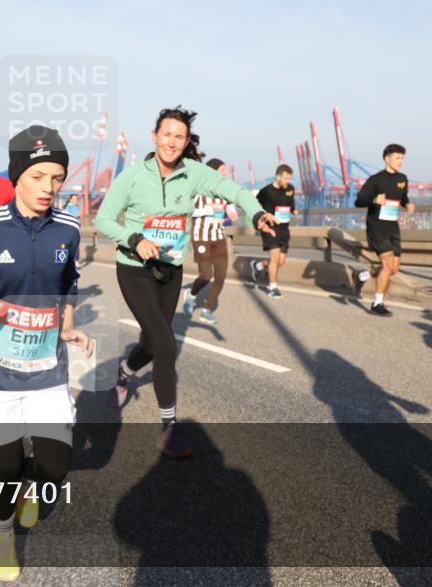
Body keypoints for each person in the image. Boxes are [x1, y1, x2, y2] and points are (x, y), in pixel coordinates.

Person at [0, 125, 93, 582]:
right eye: (39, 176)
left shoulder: (66, 227)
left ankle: (32, 491)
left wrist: (67, 323)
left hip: (46, 364)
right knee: (5, 463)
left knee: (55, 468)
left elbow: (68, 282)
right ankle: (1, 531)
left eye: (58, 177)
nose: (49, 187)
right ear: (18, 175)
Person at [95, 106, 276, 458]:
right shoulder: (132, 177)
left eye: (180, 137)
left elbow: (233, 190)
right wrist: (134, 239)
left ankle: (124, 371)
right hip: (134, 268)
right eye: (167, 134)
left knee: (152, 340)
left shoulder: (193, 173)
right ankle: (169, 430)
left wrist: (256, 212)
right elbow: (104, 220)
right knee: (165, 346)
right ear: (154, 137)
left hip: (170, 271)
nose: (172, 142)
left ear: (186, 141)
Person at [354, 144, 415, 316]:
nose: (400, 161)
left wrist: (407, 204)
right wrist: (374, 199)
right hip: (377, 227)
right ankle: (377, 303)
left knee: (393, 269)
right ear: (386, 158)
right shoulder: (375, 179)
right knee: (387, 265)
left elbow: (402, 197)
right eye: (397, 158)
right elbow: (358, 201)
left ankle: (362, 276)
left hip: (392, 227)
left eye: (402, 158)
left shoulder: (403, 178)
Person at [182, 158, 237, 324]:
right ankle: (191, 295)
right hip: (201, 237)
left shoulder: (225, 191)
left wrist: (232, 211)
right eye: (222, 170)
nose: (225, 173)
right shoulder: (199, 190)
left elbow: (231, 208)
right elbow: (187, 209)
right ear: (212, 172)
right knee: (206, 275)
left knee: (220, 277)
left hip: (219, 238)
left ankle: (207, 309)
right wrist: (208, 209)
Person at [250, 165, 298, 299]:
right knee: (275, 258)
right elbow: (253, 204)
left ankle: (258, 265)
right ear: (278, 176)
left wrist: (294, 210)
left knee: (280, 262)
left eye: (289, 178)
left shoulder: (290, 189)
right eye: (285, 178)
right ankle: (273, 287)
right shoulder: (266, 191)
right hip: (270, 228)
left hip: (284, 229)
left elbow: (290, 203)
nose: (287, 181)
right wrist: (260, 220)